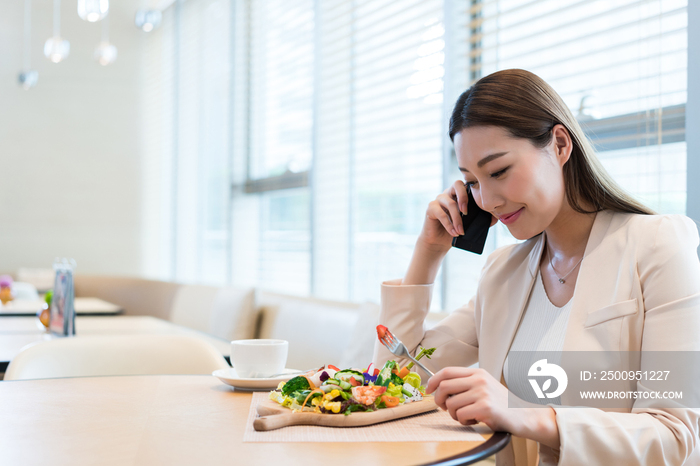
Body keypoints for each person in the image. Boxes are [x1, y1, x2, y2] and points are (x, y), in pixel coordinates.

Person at [372, 69, 700, 466]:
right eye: (472, 181)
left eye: (498, 172)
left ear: (560, 144)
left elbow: (674, 433)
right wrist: (427, 253)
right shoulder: (503, 272)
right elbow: (393, 381)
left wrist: (524, 412)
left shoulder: (656, 245)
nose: (487, 199)